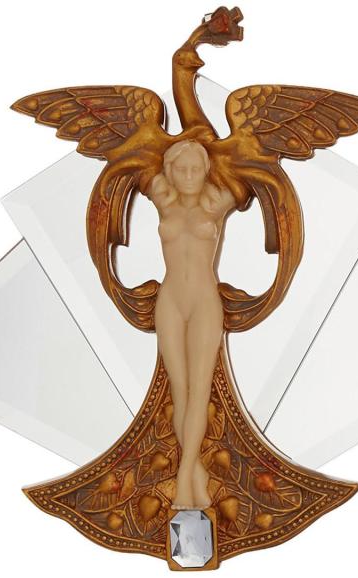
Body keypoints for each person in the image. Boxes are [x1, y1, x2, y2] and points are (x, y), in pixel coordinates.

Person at [146, 139, 236, 509]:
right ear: (168, 171)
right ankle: (195, 474)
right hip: (170, 300)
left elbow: (251, 175)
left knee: (199, 389)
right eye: (180, 169)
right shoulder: (161, 198)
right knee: (179, 389)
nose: (188, 176)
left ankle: (185, 479)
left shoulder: (218, 202)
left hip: (204, 302)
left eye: (196, 169)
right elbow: (135, 160)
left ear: (206, 171)